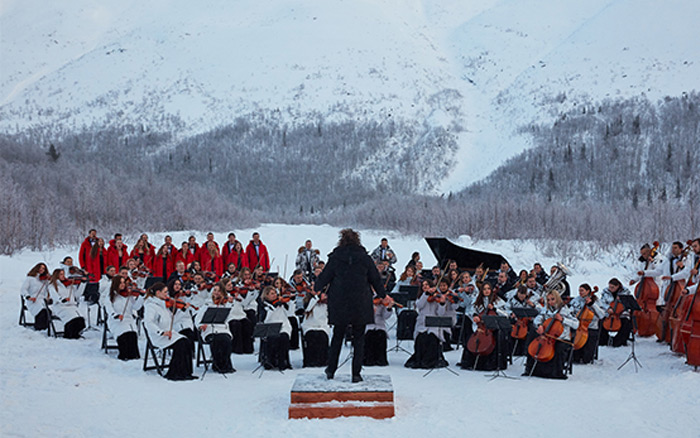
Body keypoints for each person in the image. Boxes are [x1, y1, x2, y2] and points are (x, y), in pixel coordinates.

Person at [314, 228, 386, 383]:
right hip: (360, 301)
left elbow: (324, 277)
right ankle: (356, 373)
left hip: (339, 302)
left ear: (342, 240)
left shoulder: (335, 258)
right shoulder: (365, 258)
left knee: (337, 336)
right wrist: (383, 295)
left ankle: (331, 369)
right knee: (359, 338)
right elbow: (375, 278)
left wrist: (317, 287)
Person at [144, 282, 197, 381]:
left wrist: (183, 309)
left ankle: (186, 372)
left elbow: (171, 319)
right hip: (159, 335)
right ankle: (175, 373)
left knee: (187, 341)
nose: (167, 295)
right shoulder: (150, 306)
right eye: (165, 292)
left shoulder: (164, 304)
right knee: (181, 344)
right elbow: (148, 323)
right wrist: (160, 332)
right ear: (158, 293)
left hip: (169, 333)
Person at [525, 290, 579, 379]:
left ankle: (556, 372)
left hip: (561, 337)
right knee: (532, 339)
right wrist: (539, 325)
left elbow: (576, 324)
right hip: (546, 335)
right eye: (548, 300)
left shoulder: (566, 310)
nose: (550, 302)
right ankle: (530, 369)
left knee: (559, 347)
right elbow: (538, 318)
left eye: (553, 299)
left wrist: (563, 320)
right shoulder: (546, 309)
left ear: (557, 298)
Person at [460, 283, 509, 371]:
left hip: (492, 327)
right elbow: (471, 311)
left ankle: (492, 362)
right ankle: (470, 361)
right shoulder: (477, 300)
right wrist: (475, 316)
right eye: (484, 289)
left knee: (497, 336)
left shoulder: (498, 300)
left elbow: (506, 314)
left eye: (488, 289)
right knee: (471, 336)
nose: (486, 291)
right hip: (480, 326)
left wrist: (494, 309)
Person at [405, 280, 449, 369]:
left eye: (427, 285)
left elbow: (441, 313)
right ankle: (420, 359)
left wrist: (442, 303)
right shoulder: (421, 297)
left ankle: (430, 360)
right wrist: (426, 295)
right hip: (422, 323)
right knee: (421, 338)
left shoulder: (437, 297)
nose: (425, 286)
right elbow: (419, 305)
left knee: (432, 338)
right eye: (423, 285)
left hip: (433, 324)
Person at [195, 284, 235, 374]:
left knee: (226, 340)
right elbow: (198, 318)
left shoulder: (226, 305)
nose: (216, 293)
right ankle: (217, 365)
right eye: (215, 290)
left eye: (219, 291)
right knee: (217, 340)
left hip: (223, 329)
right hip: (209, 330)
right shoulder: (207, 304)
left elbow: (230, 318)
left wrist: (230, 304)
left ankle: (226, 365)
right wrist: (200, 325)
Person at [107, 275, 143, 360]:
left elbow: (136, 307)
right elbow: (109, 309)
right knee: (124, 334)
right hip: (116, 320)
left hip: (129, 319)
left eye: (124, 282)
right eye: (120, 283)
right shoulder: (110, 296)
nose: (123, 285)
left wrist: (141, 297)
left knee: (132, 334)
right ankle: (124, 354)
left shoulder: (129, 295)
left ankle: (133, 355)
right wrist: (115, 315)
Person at [570, 284, 606, 364]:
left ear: (588, 291)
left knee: (587, 358)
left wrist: (592, 304)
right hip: (578, 326)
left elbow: (602, 315)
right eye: (579, 290)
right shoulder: (576, 300)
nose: (580, 292)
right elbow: (570, 310)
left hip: (591, 327)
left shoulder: (596, 301)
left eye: (582, 290)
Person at [259, 286, 292, 370]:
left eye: (275, 293)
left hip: (283, 326)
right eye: (272, 294)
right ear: (266, 295)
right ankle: (270, 361)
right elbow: (265, 319)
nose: (275, 296)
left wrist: (287, 303)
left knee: (284, 337)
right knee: (272, 338)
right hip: (270, 327)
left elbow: (289, 312)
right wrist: (273, 307)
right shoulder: (263, 305)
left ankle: (283, 361)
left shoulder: (281, 303)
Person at [48, 268, 86, 339]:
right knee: (72, 318)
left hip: (72, 306)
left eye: (63, 274)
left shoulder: (69, 284)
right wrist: (62, 299)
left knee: (81, 319)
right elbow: (54, 295)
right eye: (61, 274)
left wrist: (82, 284)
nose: (63, 276)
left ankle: (75, 333)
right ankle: (69, 334)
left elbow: (77, 295)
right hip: (61, 306)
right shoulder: (52, 286)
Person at [599, 278, 633, 347]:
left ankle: (619, 341)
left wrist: (622, 302)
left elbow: (629, 304)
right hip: (608, 314)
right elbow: (601, 303)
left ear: (618, 286)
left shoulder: (625, 292)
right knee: (600, 322)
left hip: (621, 314)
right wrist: (608, 308)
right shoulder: (605, 292)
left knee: (626, 323)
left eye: (612, 287)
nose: (610, 289)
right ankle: (603, 340)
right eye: (609, 287)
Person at [301, 286, 330, 367]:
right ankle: (311, 360)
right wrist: (317, 298)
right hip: (309, 325)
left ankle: (322, 360)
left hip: (321, 325)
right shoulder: (307, 300)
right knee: (311, 336)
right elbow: (307, 308)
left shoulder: (325, 302)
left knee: (322, 337)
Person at [363, 295, 396, 366]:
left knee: (381, 334)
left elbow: (385, 316)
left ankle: (380, 359)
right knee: (369, 335)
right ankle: (369, 359)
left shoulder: (382, 305)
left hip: (380, 325)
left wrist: (389, 307)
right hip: (369, 325)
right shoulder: (366, 302)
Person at [20, 263, 51, 330]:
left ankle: (45, 327)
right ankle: (39, 327)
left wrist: (48, 281)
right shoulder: (30, 279)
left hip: (42, 300)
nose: (41, 269)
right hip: (32, 300)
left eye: (43, 268)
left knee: (48, 312)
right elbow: (23, 289)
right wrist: (28, 297)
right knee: (42, 311)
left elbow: (48, 291)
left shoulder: (44, 280)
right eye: (40, 267)